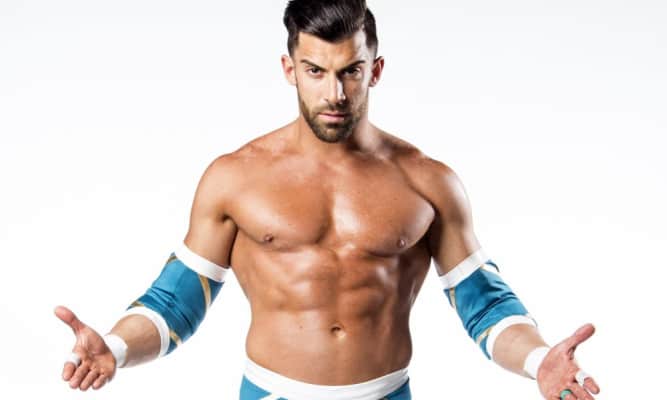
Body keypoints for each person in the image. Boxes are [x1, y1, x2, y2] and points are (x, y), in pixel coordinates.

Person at [55, 1, 600, 399]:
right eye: (315, 72)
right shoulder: (235, 178)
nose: (334, 94)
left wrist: (538, 361)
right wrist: (116, 348)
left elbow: (484, 304)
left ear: (375, 70)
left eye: (350, 72)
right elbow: (177, 301)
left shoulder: (428, 182)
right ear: (289, 69)